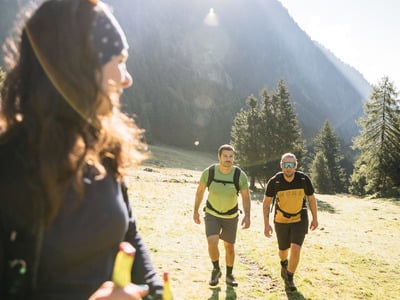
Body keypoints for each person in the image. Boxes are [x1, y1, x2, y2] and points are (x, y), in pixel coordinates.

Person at [0, 0, 163, 299]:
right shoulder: (10, 164)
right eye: (118, 61)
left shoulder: (105, 149)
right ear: (79, 68)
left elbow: (129, 235)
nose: (127, 79)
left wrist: (155, 291)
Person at [193, 144, 251, 287]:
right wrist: (195, 210)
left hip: (231, 216)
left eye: (231, 156)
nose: (228, 159)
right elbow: (200, 192)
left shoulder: (239, 175)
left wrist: (247, 215)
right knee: (212, 242)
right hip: (212, 213)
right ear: (219, 157)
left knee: (229, 247)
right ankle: (216, 269)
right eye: (225, 156)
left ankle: (229, 274)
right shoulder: (209, 172)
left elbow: (246, 197)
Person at [263, 153, 318, 291]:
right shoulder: (274, 181)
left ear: (295, 166)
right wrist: (266, 223)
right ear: (281, 165)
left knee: (296, 248)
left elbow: (311, 199)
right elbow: (266, 204)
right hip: (280, 220)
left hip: (300, 218)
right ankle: (283, 263)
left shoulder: (303, 179)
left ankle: (290, 277)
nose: (288, 168)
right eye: (285, 165)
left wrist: (315, 218)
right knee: (283, 250)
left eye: (291, 165)